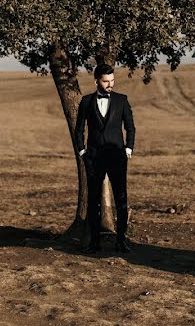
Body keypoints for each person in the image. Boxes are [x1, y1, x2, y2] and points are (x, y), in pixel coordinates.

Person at [75, 64, 136, 254]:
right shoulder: (86, 102)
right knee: (93, 201)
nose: (109, 84)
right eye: (105, 81)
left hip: (117, 156)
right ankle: (94, 242)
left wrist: (128, 149)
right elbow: (79, 130)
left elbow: (130, 127)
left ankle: (121, 240)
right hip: (94, 158)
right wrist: (83, 152)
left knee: (121, 198)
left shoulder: (121, 100)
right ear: (96, 81)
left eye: (112, 81)